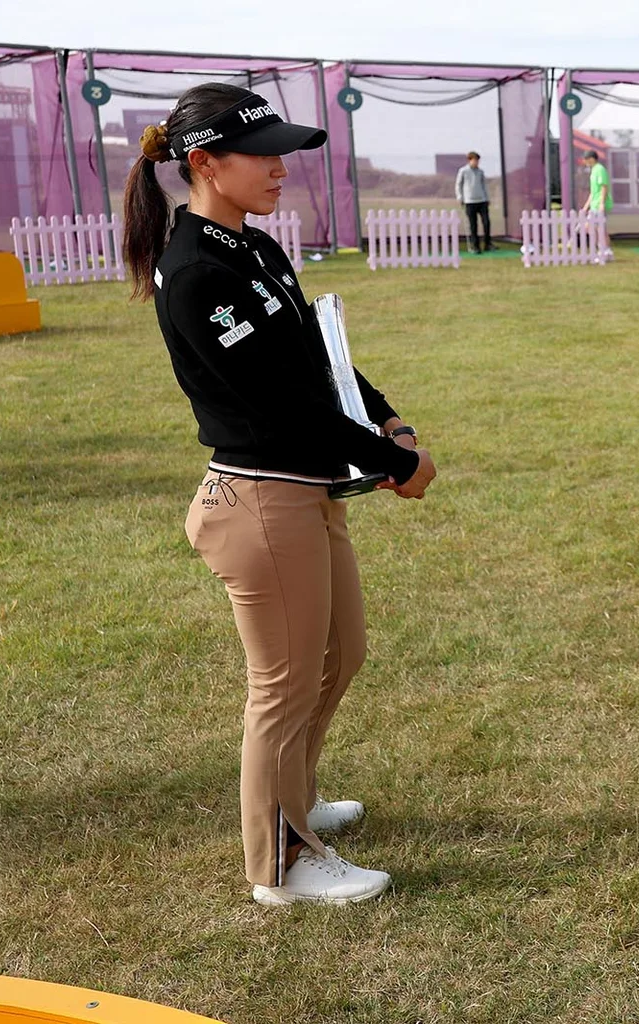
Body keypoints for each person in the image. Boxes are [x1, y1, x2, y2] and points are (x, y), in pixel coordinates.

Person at [121, 83, 437, 907]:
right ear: (204, 164)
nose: (280, 170)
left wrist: (391, 419)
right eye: (263, 156)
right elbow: (282, 405)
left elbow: (317, 359)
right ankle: (284, 861)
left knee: (341, 657)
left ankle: (293, 800)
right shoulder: (193, 271)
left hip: (305, 491)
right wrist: (394, 465)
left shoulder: (254, 248)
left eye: (282, 154)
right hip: (262, 500)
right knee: (284, 686)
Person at [456, 151, 492, 254]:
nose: (477, 162)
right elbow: (458, 185)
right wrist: (460, 197)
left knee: (486, 222)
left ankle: (487, 244)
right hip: (469, 201)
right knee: (473, 225)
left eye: (478, 160)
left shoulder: (480, 172)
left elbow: (484, 185)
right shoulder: (463, 171)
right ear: (470, 160)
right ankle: (475, 246)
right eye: (475, 160)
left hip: (482, 200)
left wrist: (487, 198)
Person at [581, 150, 611, 250]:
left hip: (599, 204)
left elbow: (604, 186)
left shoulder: (600, 169)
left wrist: (602, 203)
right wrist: (586, 206)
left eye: (586, 160)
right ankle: (603, 248)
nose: (585, 162)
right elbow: (593, 191)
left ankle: (605, 249)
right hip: (594, 204)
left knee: (599, 228)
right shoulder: (593, 170)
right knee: (596, 228)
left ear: (592, 159)